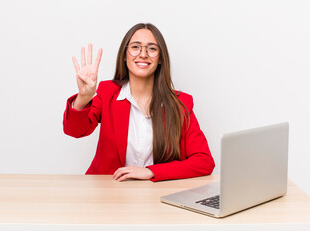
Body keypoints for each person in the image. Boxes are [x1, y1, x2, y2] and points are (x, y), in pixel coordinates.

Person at [63, 23, 215, 182]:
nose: (143, 54)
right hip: (108, 193)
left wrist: (151, 171)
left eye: (152, 49)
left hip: (155, 196)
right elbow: (74, 130)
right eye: (135, 47)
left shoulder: (180, 103)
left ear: (161, 58)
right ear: (124, 55)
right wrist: (84, 97)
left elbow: (204, 161)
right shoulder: (108, 93)